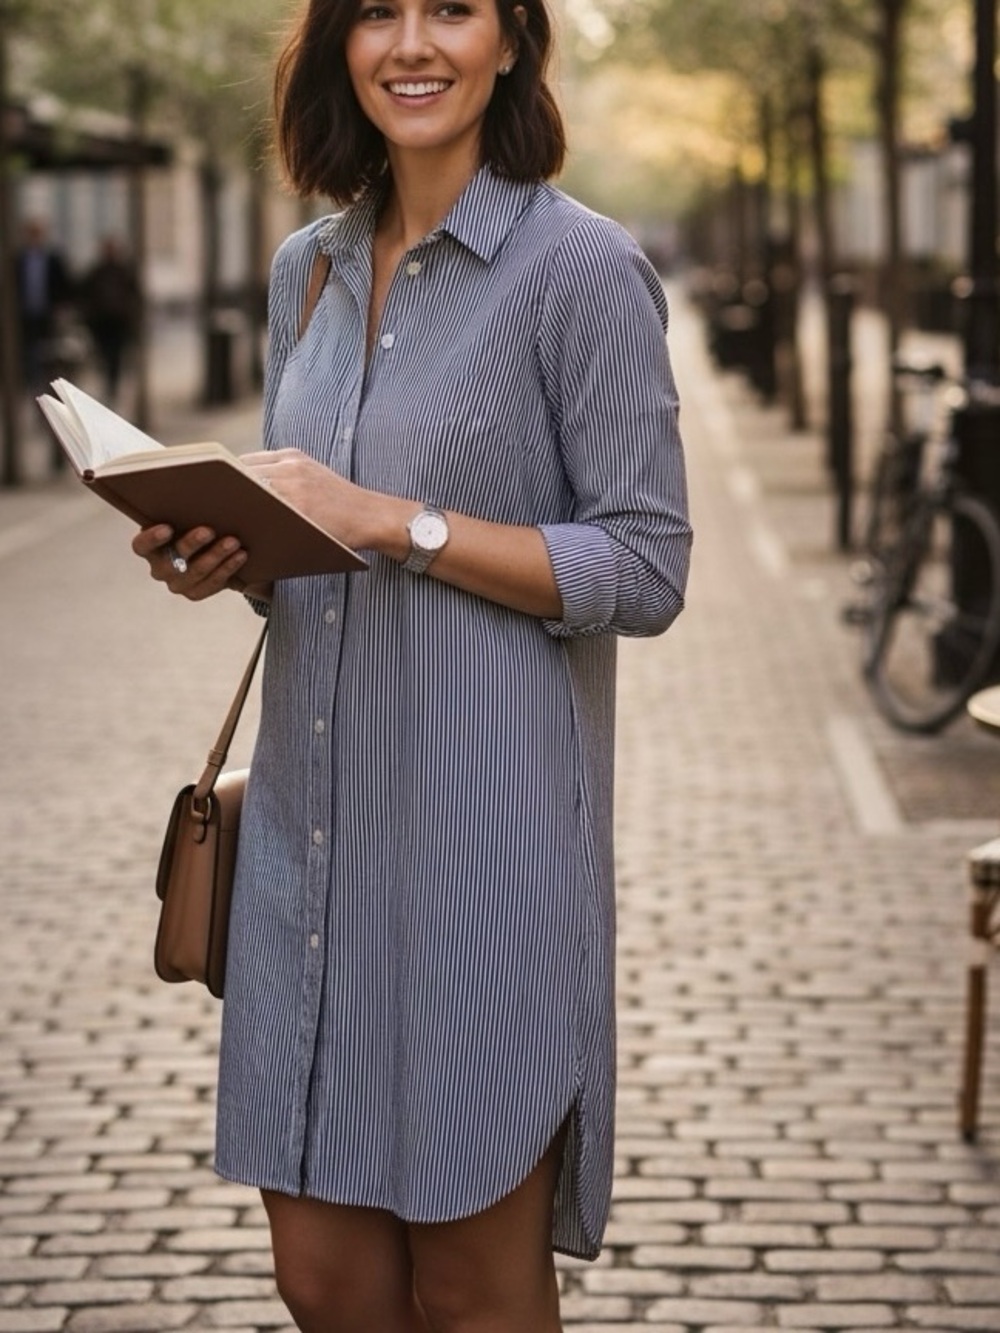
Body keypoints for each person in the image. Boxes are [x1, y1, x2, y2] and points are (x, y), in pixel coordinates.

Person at [132, 0, 692, 1327]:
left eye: (451, 8)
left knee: (472, 1283)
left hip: (480, 848)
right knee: (322, 1277)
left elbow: (647, 566)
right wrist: (228, 555)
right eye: (376, 11)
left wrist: (404, 522)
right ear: (338, 46)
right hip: (311, 842)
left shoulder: (580, 270)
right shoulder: (305, 272)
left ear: (512, 39)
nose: (411, 44)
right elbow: (308, 551)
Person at [78, 236, 141, 404]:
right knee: (104, 356)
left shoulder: (124, 271)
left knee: (116, 358)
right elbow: (84, 294)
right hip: (101, 324)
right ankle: (109, 384)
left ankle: (112, 385)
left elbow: (134, 295)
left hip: (118, 323)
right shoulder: (97, 272)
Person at [15, 218, 74, 392]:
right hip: (25, 317)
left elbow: (65, 288)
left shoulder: (53, 260)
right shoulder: (18, 260)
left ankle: (47, 387)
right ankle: (32, 384)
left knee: (49, 355)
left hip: (48, 317)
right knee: (28, 355)